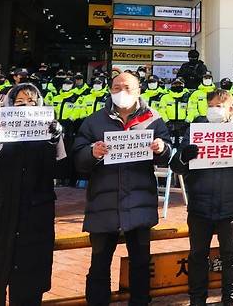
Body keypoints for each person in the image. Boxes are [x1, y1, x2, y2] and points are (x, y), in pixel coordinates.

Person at [73, 73, 172, 306]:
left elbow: (170, 157)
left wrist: (162, 149)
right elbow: (77, 159)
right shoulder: (94, 121)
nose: (121, 91)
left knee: (139, 265)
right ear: (109, 90)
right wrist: (91, 153)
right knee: (99, 265)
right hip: (103, 205)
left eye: (127, 87)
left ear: (139, 91)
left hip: (139, 205)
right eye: (116, 87)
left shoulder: (154, 120)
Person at [171, 89, 233, 306]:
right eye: (211, 105)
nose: (214, 109)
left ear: (230, 109)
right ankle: (197, 300)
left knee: (232, 257)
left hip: (232, 206)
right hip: (199, 206)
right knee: (197, 256)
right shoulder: (195, 130)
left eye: (219, 106)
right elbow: (176, 166)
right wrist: (184, 156)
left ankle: (232, 301)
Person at [0, 83, 63, 306]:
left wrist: (54, 141)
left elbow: (60, 170)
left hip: (35, 219)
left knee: (28, 289)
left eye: (31, 103)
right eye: (19, 103)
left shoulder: (50, 127)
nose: (26, 107)